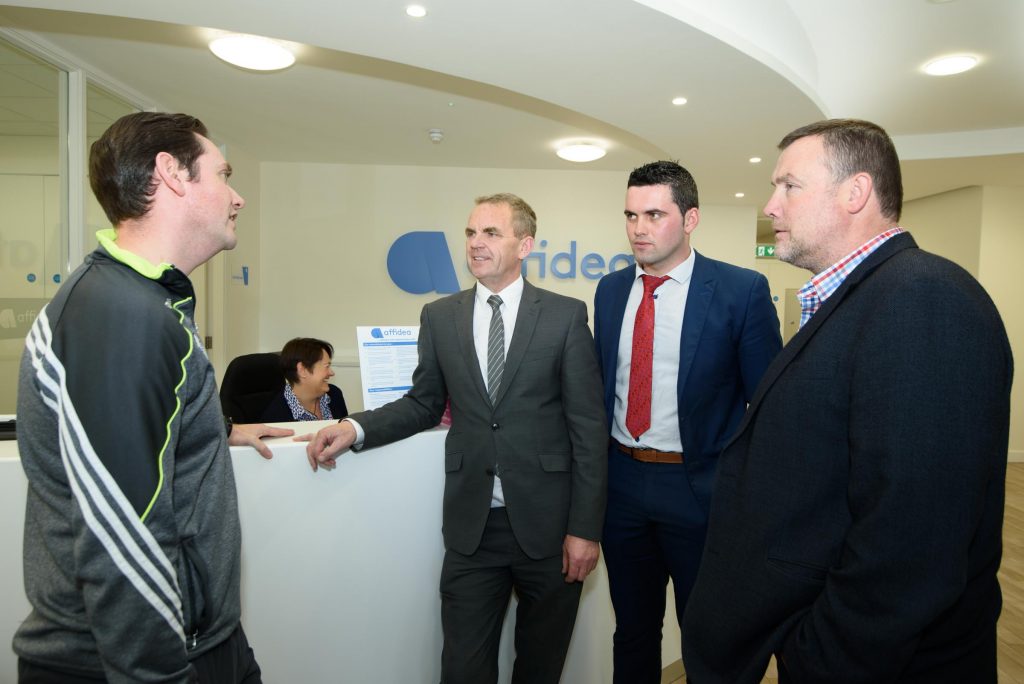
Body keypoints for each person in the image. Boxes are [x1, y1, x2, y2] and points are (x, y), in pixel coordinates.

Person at [682, 119, 1014, 683]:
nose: (771, 205)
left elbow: (912, 541)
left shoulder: (923, 298)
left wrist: (820, 655)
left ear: (855, 193)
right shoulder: (869, 297)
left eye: (789, 186)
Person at [15, 111, 293, 683]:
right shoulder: (122, 318)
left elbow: (140, 441)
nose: (237, 196)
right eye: (222, 174)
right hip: (141, 658)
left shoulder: (136, 300)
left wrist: (213, 429)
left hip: (194, 638)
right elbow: (123, 539)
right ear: (171, 174)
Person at [306, 193, 607, 684]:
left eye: (491, 233)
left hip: (550, 529)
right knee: (462, 668)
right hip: (473, 529)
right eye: (470, 232)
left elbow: (588, 429)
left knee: (540, 668)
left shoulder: (564, 316)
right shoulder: (440, 316)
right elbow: (422, 403)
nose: (475, 243)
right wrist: (354, 427)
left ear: (525, 244)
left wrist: (585, 529)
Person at [593, 160, 782, 682]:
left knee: (707, 638)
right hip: (623, 485)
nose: (638, 228)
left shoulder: (740, 290)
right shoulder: (610, 291)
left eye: (654, 214)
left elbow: (769, 406)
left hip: (700, 489)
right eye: (631, 215)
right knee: (632, 630)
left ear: (691, 217)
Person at [259, 337, 348, 422]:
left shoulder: (334, 394)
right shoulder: (276, 417)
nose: (331, 373)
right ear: (302, 370)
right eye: (326, 366)